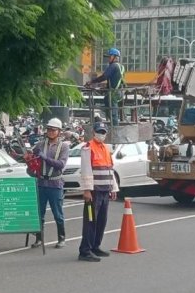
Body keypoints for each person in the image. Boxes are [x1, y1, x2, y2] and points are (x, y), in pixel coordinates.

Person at [78, 122, 118, 262]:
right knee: (90, 221)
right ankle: (85, 250)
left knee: (101, 220)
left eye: (103, 132)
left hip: (104, 191)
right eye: (99, 131)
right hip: (93, 192)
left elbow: (110, 168)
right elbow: (86, 170)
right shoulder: (88, 148)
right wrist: (87, 190)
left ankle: (95, 246)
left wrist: (113, 187)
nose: (101, 134)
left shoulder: (105, 149)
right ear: (94, 132)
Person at [29, 117, 70, 248]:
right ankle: (39, 238)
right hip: (41, 183)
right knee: (39, 213)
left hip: (55, 184)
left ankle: (61, 238)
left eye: (53, 130)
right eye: (49, 129)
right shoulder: (40, 145)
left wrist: (45, 158)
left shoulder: (63, 147)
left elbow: (60, 164)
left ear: (59, 131)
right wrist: (30, 163)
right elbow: (33, 160)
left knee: (57, 213)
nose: (51, 132)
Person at [86, 47, 124, 126]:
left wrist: (92, 82)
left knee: (113, 113)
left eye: (109, 57)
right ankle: (112, 124)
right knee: (107, 101)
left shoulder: (113, 66)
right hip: (118, 92)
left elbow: (104, 76)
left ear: (115, 57)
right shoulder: (121, 67)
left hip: (114, 93)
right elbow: (115, 80)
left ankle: (115, 129)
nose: (108, 59)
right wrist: (104, 87)